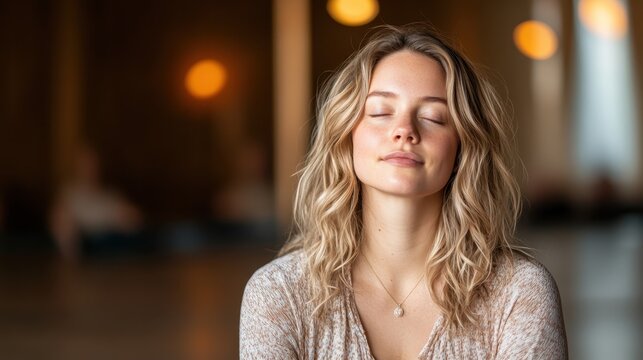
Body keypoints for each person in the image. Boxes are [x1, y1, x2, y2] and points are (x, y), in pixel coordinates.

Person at [240, 24, 567, 359]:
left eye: (433, 117)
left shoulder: (519, 293)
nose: (404, 131)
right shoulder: (278, 293)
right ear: (346, 136)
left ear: (462, 148)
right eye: (381, 112)